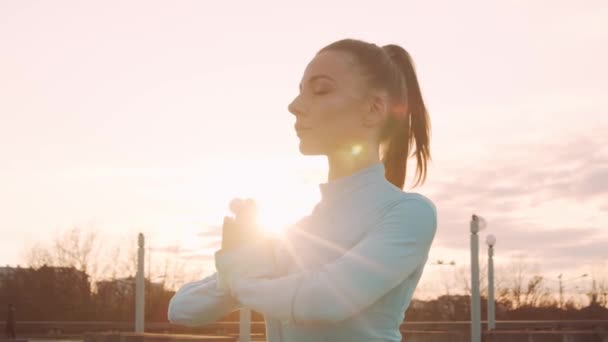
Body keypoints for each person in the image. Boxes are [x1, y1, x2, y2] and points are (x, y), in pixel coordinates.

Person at [168, 38, 437, 342]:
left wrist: (240, 273)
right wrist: (243, 259)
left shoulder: (408, 213)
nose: (294, 106)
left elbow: (327, 300)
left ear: (374, 108)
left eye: (320, 90)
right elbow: (182, 309)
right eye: (299, 91)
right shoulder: (298, 235)